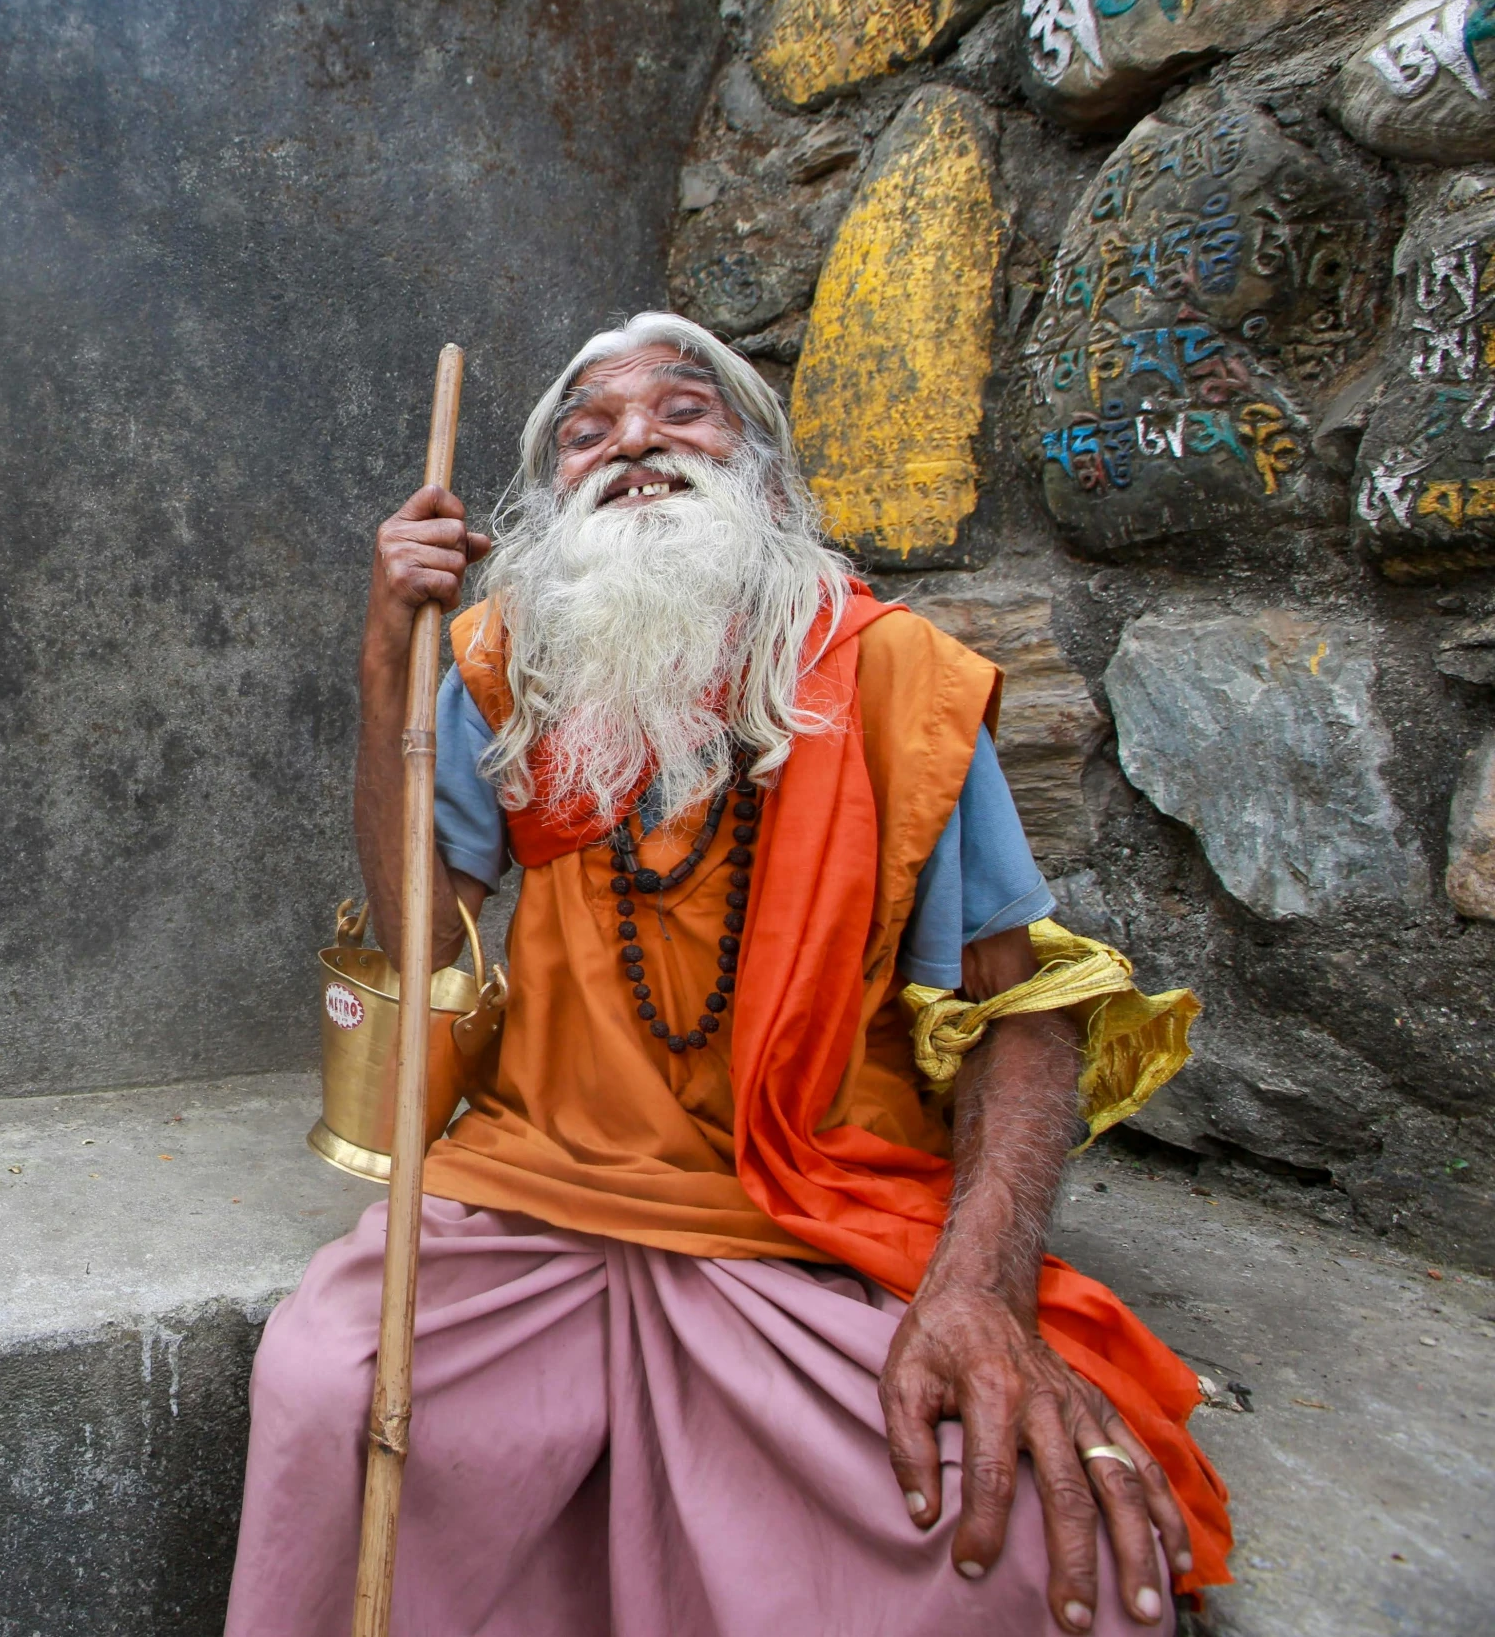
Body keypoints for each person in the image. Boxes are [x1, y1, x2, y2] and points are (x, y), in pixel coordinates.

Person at [224, 313, 1230, 1636]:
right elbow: (419, 943)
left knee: (1003, 1539)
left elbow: (1016, 1020)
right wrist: (383, 658)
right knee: (324, 1381)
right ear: (552, 501)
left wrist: (978, 1292)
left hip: (804, 1216)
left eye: (681, 412)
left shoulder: (889, 679)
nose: (633, 440)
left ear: (761, 473)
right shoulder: (507, 671)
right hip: (546, 1184)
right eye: (587, 432)